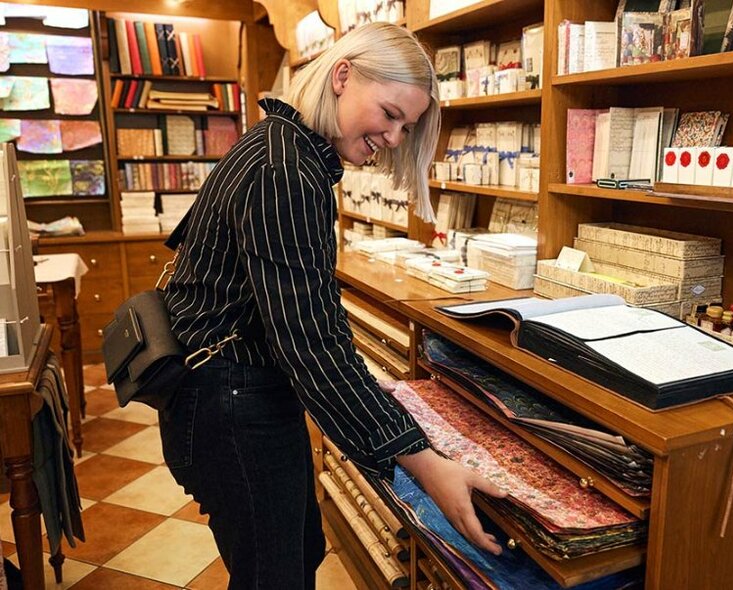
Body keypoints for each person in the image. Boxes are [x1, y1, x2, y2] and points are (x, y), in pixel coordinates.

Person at [158, 22, 505, 589]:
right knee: (276, 574)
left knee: (297, 552)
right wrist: (423, 463)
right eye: (390, 114)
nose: (395, 138)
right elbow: (312, 348)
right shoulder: (285, 169)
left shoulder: (285, 147)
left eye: (407, 126)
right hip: (231, 402)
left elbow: (301, 312)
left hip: (240, 392)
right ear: (343, 76)